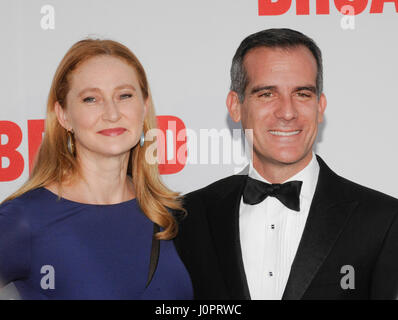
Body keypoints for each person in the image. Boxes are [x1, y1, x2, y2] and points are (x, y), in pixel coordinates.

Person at [174, 28, 398, 300]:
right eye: (267, 94)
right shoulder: (188, 218)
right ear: (235, 106)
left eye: (302, 94)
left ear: (320, 106)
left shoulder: (383, 220)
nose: (288, 112)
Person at [0, 39, 193, 300]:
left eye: (124, 95)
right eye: (91, 99)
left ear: (144, 106)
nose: (112, 113)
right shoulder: (26, 218)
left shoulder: (170, 215)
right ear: (64, 115)